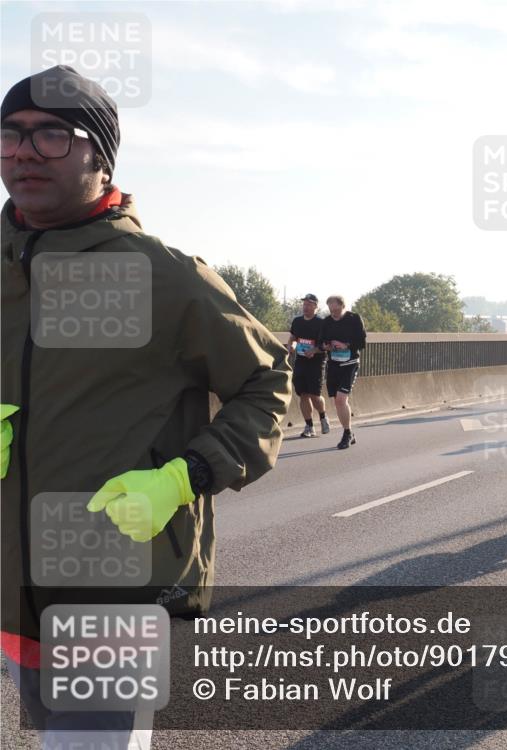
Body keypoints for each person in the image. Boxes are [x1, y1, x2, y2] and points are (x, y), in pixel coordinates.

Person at [1, 66, 291, 749]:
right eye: (10, 134)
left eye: (50, 136)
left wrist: (183, 478)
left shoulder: (161, 274)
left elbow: (268, 380)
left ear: (99, 155)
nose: (21, 151)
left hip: (114, 590)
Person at [321, 295, 367, 449]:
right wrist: (326, 346)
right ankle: (349, 432)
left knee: (341, 399)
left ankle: (347, 434)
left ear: (342, 306)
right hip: (333, 364)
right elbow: (321, 342)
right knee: (337, 401)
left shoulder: (354, 319)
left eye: (336, 309)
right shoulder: (327, 322)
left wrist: (346, 345)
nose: (333, 312)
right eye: (330, 309)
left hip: (350, 363)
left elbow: (362, 342)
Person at [288, 293, 328, 437]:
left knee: (314, 395)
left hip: (316, 362)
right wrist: (291, 346)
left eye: (309, 304)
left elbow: (326, 344)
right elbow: (293, 337)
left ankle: (323, 416)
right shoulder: (297, 321)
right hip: (301, 361)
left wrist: (315, 350)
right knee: (303, 394)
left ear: (316, 307)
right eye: (304, 304)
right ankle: (309, 426)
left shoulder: (321, 323)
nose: (306, 307)